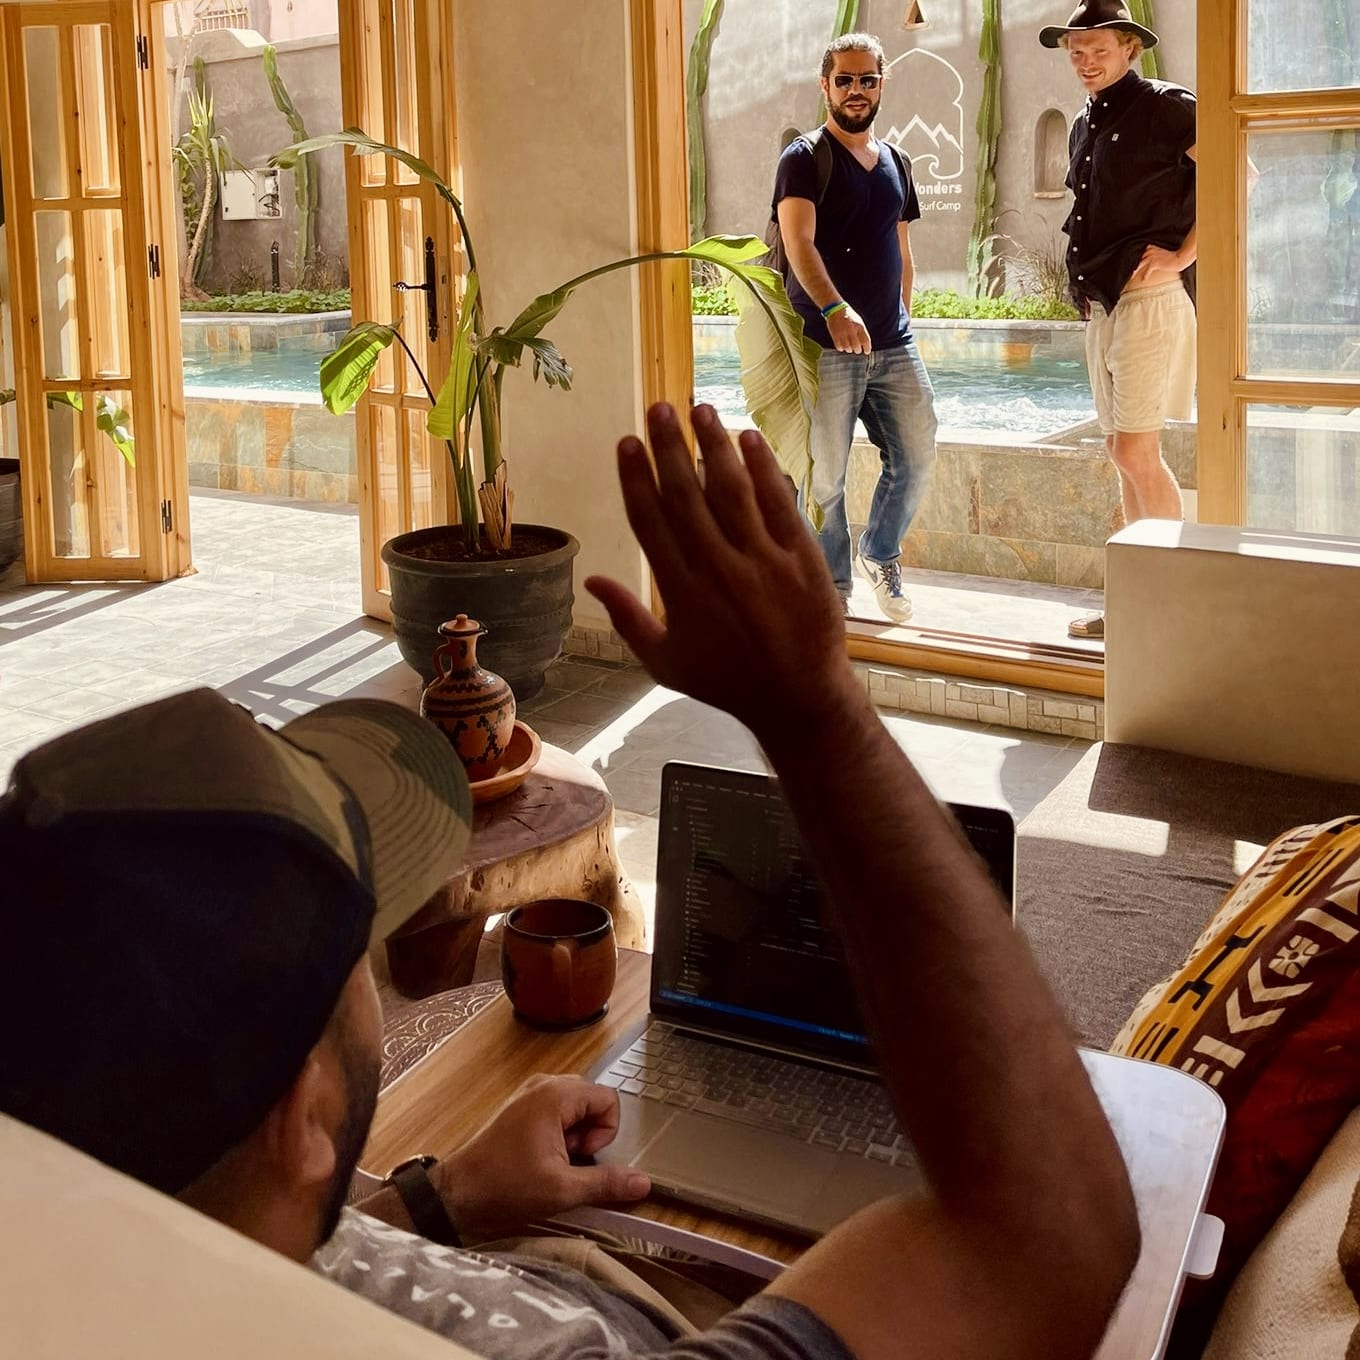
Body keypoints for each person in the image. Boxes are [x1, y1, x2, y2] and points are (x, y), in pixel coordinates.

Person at [0, 405, 1139, 1360]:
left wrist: (443, 1196)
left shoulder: (81, 1250)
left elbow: (261, 1223)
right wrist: (815, 708)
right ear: (303, 1117)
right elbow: (1050, 1235)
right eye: (354, 936)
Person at [1041, 0, 1198, 640]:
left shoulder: (1168, 106)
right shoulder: (1084, 123)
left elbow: (1237, 175)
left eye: (1097, 48)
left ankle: (1175, 604)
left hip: (1150, 304)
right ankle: (1139, 599)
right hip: (1104, 304)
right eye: (1075, 50)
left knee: (1136, 449)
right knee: (1119, 451)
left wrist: (1184, 256)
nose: (1084, 60)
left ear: (1131, 47)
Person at [773, 32, 937, 624]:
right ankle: (829, 587)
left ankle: (880, 554)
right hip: (824, 348)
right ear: (825, 86)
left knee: (917, 454)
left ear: (881, 84)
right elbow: (798, 243)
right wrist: (835, 310)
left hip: (893, 344)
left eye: (867, 79)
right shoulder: (804, 157)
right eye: (844, 79)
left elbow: (902, 248)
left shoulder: (897, 162)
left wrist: (902, 312)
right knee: (825, 479)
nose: (856, 90)